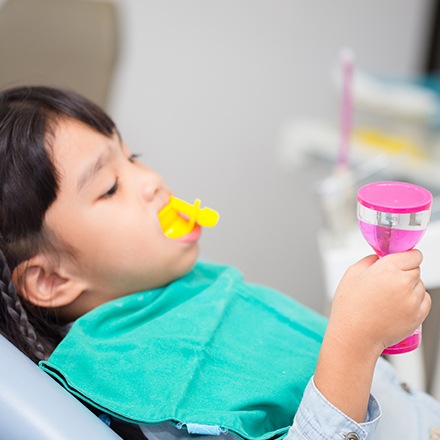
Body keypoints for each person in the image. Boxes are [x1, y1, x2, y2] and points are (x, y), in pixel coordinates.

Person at [0, 85, 439, 440]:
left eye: (133, 158)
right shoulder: (142, 387)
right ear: (51, 279)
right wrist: (355, 342)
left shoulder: (184, 291)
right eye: (110, 186)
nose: (152, 180)